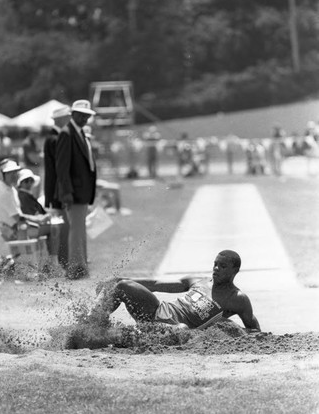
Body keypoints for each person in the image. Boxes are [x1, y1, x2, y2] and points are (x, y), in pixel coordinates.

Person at [94, 249, 261, 333]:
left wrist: (234, 330)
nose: (216, 269)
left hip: (176, 329)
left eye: (222, 266)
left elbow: (253, 329)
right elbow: (157, 284)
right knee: (123, 286)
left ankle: (132, 335)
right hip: (155, 311)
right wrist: (118, 278)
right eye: (215, 264)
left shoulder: (238, 299)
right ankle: (91, 325)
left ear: (235, 271)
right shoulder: (198, 280)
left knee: (182, 330)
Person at [55, 99, 97, 280]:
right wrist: (66, 192)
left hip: (82, 192)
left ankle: (81, 266)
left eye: (87, 116)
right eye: (82, 115)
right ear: (73, 114)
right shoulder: (67, 134)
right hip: (74, 192)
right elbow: (62, 167)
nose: (85, 119)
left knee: (80, 230)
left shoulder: (79, 133)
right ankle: (75, 269)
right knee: (76, 230)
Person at [0, 158, 49, 241]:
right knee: (52, 228)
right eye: (10, 173)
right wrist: (38, 219)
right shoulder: (4, 192)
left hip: (16, 228)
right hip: (13, 231)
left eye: (15, 172)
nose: (14, 175)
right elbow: (18, 218)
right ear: (1, 175)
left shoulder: (8, 188)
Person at [43, 105, 71, 268]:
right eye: (67, 118)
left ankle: (64, 259)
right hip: (57, 191)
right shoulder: (55, 139)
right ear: (61, 119)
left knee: (62, 228)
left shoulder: (53, 137)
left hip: (56, 190)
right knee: (62, 228)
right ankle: (64, 260)